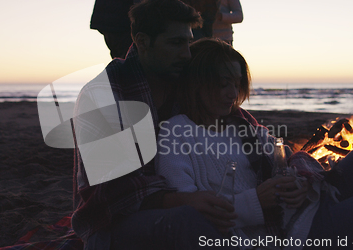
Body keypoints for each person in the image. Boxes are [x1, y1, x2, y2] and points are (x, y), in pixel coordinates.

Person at [155, 38, 353, 249]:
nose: (233, 94)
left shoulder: (240, 123)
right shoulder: (177, 132)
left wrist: (299, 185)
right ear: (197, 84)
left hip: (314, 202)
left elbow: (284, 161)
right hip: (298, 234)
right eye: (223, 84)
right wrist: (255, 201)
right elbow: (188, 212)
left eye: (236, 84)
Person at [72, 1, 240, 249]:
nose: (187, 53)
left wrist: (293, 164)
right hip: (112, 226)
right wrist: (182, 200)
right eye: (175, 43)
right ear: (142, 41)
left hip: (184, 203)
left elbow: (241, 122)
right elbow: (112, 190)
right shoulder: (102, 94)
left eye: (188, 42)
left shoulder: (183, 79)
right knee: (189, 220)